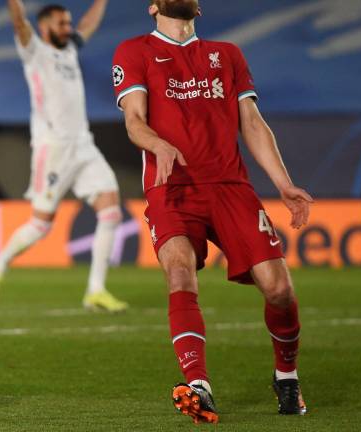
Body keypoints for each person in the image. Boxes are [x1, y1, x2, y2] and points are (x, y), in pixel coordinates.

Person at [113, 0, 312, 423]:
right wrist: (159, 144)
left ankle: (286, 376)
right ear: (153, 6)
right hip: (171, 187)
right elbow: (133, 120)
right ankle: (198, 385)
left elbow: (252, 123)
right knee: (179, 271)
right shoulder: (134, 51)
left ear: (199, 9)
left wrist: (284, 184)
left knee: (279, 288)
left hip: (229, 187)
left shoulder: (227, 54)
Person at [0, 0, 128, 312]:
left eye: (68, 23)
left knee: (111, 211)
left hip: (83, 144)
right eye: (61, 24)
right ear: (44, 27)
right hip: (54, 148)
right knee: (41, 225)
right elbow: (19, 22)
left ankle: (95, 291)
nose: (68, 28)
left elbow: (87, 24)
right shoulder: (34, 51)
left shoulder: (69, 48)